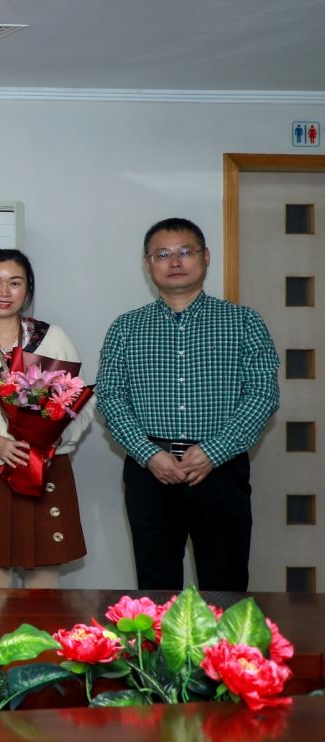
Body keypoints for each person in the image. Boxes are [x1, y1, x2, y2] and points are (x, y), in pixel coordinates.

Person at [98, 218, 279, 592]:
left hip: (221, 470)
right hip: (149, 470)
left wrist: (213, 451)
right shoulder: (125, 328)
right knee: (155, 587)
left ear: (206, 256)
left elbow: (263, 394)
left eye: (185, 251)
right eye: (162, 254)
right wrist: (148, 454)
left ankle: (224, 635)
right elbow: (111, 397)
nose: (175, 262)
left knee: (225, 585)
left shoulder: (244, 322)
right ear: (148, 263)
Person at [0, 250, 92, 588]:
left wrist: (52, 438)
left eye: (15, 283)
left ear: (27, 290)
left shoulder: (53, 338)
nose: (4, 292)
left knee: (44, 583)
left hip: (46, 468)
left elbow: (81, 401)